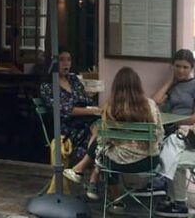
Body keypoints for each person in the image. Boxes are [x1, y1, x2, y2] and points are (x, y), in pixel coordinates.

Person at [69, 67, 163, 212]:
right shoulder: (150, 105)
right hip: (148, 162)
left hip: (117, 164)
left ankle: (116, 201)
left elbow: (104, 141)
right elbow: (159, 134)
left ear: (116, 87)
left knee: (104, 152)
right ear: (138, 85)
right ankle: (85, 174)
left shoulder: (111, 107)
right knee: (104, 150)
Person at [148, 49, 195, 217]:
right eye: (177, 66)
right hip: (169, 130)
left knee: (174, 145)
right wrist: (169, 82)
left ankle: (161, 181)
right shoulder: (174, 84)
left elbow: (193, 118)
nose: (181, 70)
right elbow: (152, 104)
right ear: (172, 66)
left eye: (185, 67)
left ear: (192, 67)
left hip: (187, 132)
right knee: (161, 142)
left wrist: (173, 121)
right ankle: (174, 199)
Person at [40, 49, 101, 164]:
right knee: (100, 131)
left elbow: (87, 100)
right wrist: (94, 110)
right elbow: (65, 110)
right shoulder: (47, 86)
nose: (66, 63)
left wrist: (93, 109)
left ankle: (93, 173)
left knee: (104, 126)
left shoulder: (73, 79)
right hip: (67, 127)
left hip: (86, 121)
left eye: (69, 60)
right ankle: (91, 169)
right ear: (52, 63)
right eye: (61, 60)